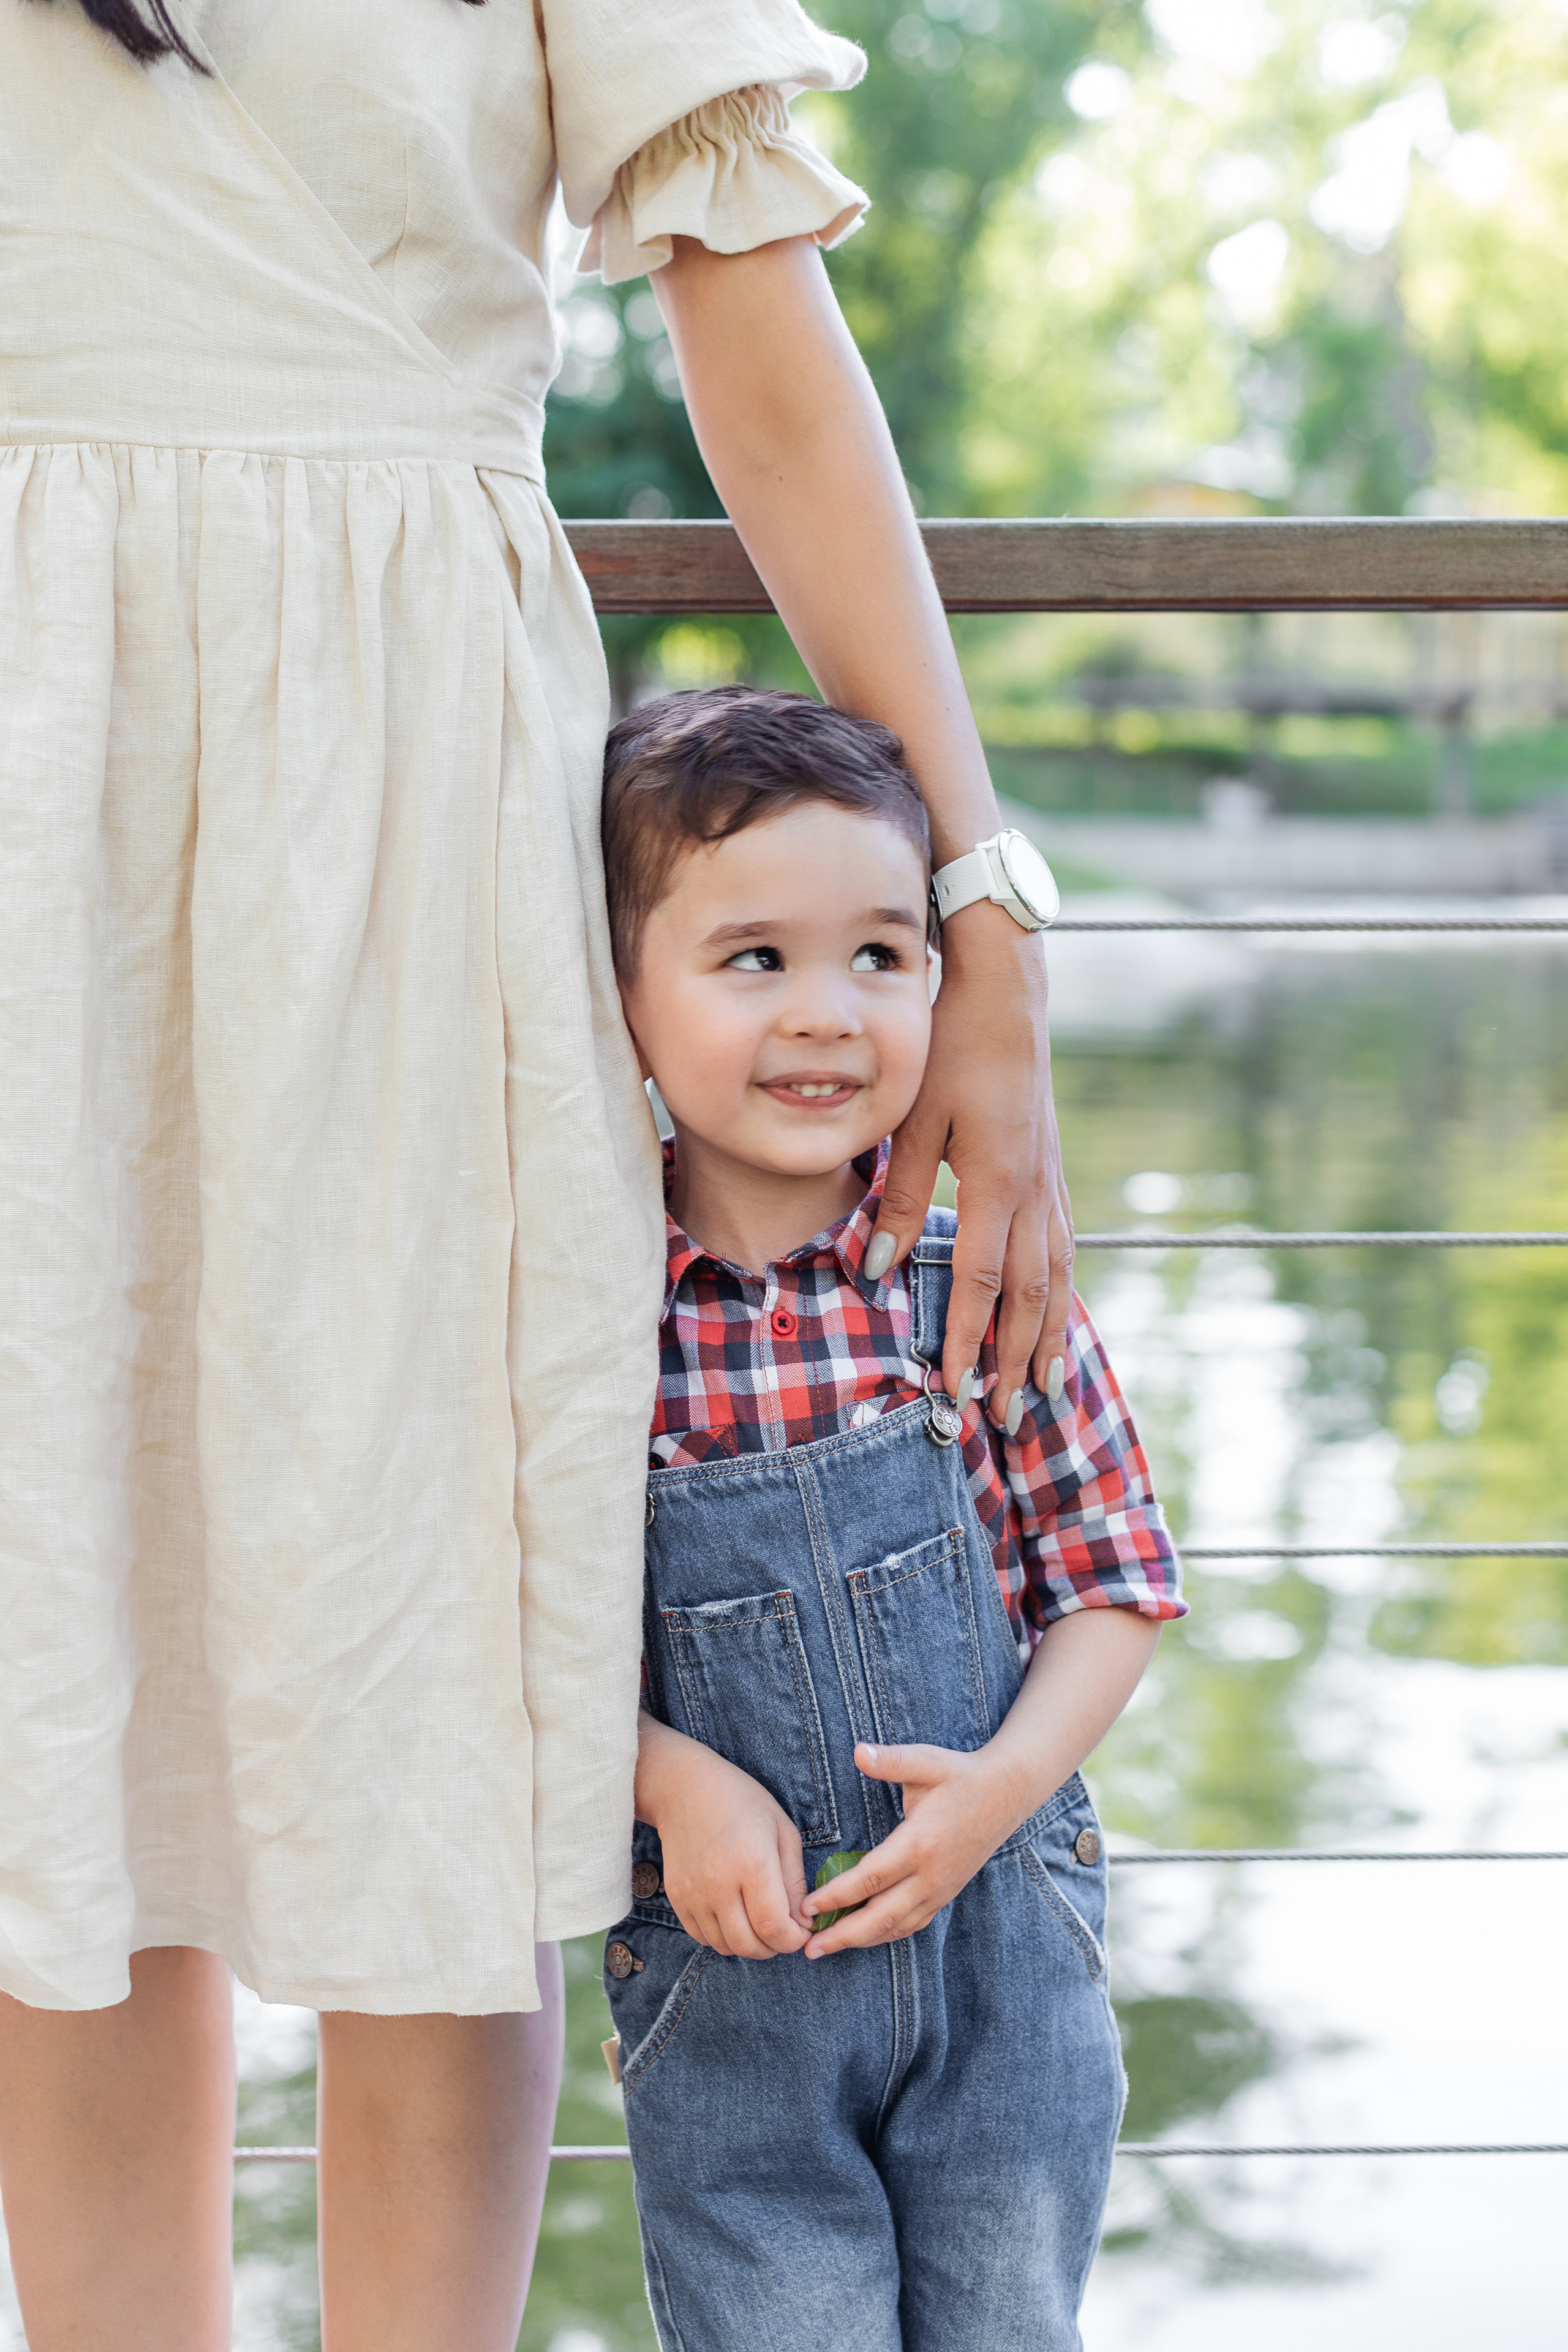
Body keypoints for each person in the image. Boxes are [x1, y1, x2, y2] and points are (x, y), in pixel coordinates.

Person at [1, 6, 1076, 2347]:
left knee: (444, 1708)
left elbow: (765, 351)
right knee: (60, 1704)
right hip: (27, 758)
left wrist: (974, 905)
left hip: (401, 782)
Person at [598, 687, 1185, 2352]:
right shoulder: (585, 1306)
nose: (827, 1015)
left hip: (1007, 1955)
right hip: (735, 1982)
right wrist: (664, 1778)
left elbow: (1115, 1576)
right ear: (621, 993)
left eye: (880, 954)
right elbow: (496, 1620)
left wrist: (1006, 1787)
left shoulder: (980, 1263)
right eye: (754, 958)